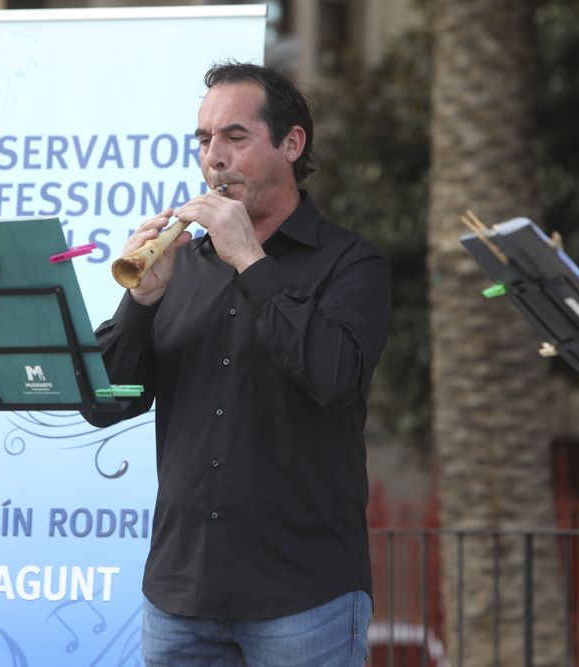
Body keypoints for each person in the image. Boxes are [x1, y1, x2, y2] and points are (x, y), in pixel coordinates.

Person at [85, 62, 390, 666]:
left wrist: (250, 259)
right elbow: (104, 401)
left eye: (234, 137)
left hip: (303, 595)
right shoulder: (182, 265)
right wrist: (141, 300)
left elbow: (332, 378)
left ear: (291, 144)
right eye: (203, 141)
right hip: (179, 596)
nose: (213, 159)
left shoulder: (353, 263)